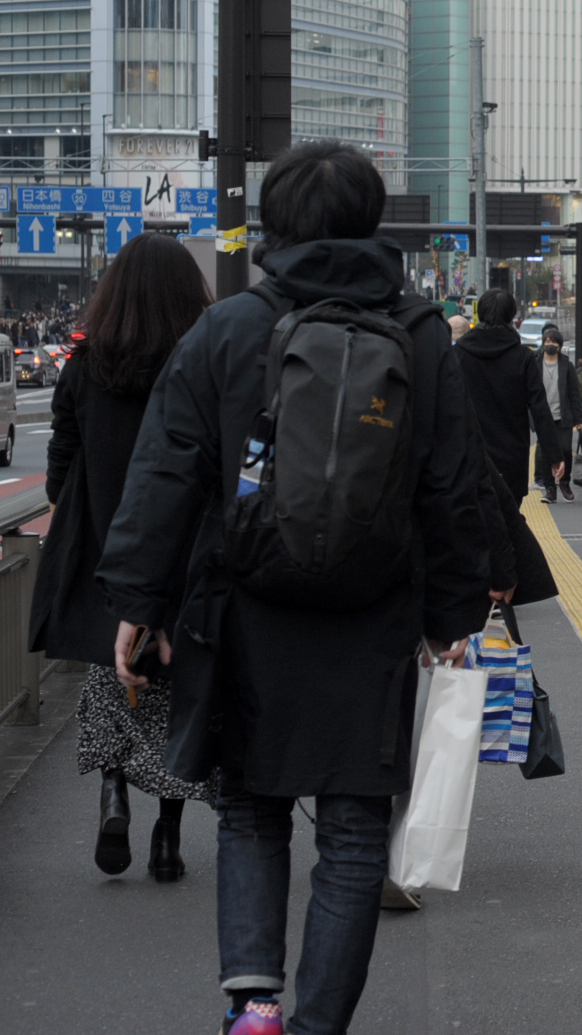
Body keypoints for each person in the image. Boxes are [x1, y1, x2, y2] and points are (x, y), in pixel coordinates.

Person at [95, 141, 490, 1035]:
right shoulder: (423, 333)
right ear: (371, 220)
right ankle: (318, 1027)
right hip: (373, 614)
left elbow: (167, 469)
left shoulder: (230, 327)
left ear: (275, 223)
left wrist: (138, 603)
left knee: (251, 809)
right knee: (353, 831)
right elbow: (452, 486)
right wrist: (452, 616)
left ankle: (255, 1009)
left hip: (247, 609)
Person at [28, 232, 217, 881]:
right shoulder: (197, 363)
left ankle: (113, 792)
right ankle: (168, 836)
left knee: (112, 675)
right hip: (182, 546)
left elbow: (61, 464)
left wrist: (79, 509)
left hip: (103, 550)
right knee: (173, 684)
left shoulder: (85, 365)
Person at [452, 289, 563, 506]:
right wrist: (554, 455)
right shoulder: (523, 358)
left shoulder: (458, 355)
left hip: (468, 456)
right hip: (512, 458)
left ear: (480, 314)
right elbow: (539, 408)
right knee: (509, 518)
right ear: (511, 317)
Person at [535, 326, 582, 501]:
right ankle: (550, 489)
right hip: (543, 417)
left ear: (559, 345)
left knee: (565, 449)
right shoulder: (535, 364)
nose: (550, 344)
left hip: (563, 417)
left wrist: (580, 420)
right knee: (545, 453)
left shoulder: (566, 365)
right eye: (547, 341)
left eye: (553, 342)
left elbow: (574, 394)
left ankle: (564, 483)